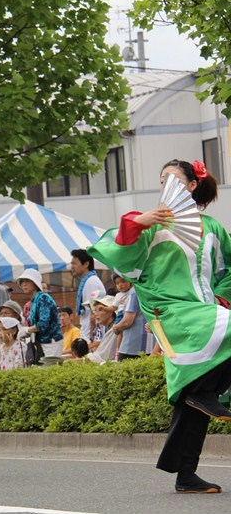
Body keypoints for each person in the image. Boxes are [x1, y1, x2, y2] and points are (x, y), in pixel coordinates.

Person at [88, 159, 231, 494]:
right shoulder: (151, 227)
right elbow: (121, 253)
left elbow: (229, 270)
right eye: (161, 178)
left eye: (172, 178)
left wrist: (223, 296)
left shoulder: (214, 229)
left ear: (192, 186)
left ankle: (186, 475)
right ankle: (207, 392)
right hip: (172, 315)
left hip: (208, 312)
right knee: (200, 390)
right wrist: (139, 222)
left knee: (193, 395)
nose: (164, 182)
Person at [17, 268, 63, 359]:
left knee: (50, 369)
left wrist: (27, 330)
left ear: (35, 283)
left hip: (51, 341)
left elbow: (43, 324)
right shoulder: (34, 300)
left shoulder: (43, 298)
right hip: (42, 342)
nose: (24, 284)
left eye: (27, 281)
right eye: (22, 282)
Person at [71, 249, 105, 338]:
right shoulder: (87, 281)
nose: (72, 266)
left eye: (74, 263)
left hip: (91, 335)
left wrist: (91, 338)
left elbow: (94, 313)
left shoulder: (92, 282)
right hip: (88, 332)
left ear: (86, 264)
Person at [111, 275, 147, 361]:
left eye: (123, 281)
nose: (120, 285)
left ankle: (118, 351)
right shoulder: (147, 290)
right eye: (117, 283)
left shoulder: (134, 293)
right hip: (148, 344)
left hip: (132, 346)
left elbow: (127, 322)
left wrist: (116, 328)